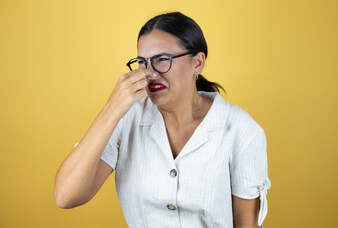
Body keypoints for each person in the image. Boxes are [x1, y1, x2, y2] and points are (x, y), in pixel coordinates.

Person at [54, 12, 271, 228]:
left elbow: (246, 224)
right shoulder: (127, 118)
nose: (150, 73)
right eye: (142, 62)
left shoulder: (242, 130)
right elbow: (66, 196)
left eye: (161, 60)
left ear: (197, 63)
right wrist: (112, 109)